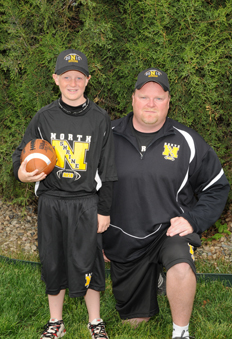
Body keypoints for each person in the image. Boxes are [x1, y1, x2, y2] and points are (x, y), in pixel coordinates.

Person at [102, 67, 230, 339]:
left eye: (158, 98)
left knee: (181, 264)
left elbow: (217, 186)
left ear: (168, 102)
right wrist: (96, 236)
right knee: (135, 321)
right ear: (133, 98)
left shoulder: (187, 141)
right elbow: (87, 189)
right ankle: (156, 280)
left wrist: (193, 220)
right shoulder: (106, 136)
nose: (151, 103)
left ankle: (180, 332)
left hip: (168, 231)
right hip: (124, 237)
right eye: (144, 96)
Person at [12, 49, 117, 339]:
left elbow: (108, 170)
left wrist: (104, 210)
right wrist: (21, 172)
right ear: (56, 79)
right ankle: (55, 321)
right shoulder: (44, 117)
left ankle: (95, 321)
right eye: (67, 77)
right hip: (51, 201)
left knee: (91, 261)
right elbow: (19, 155)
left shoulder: (99, 119)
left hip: (85, 202)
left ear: (88, 80)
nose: (73, 83)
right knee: (52, 260)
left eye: (79, 77)